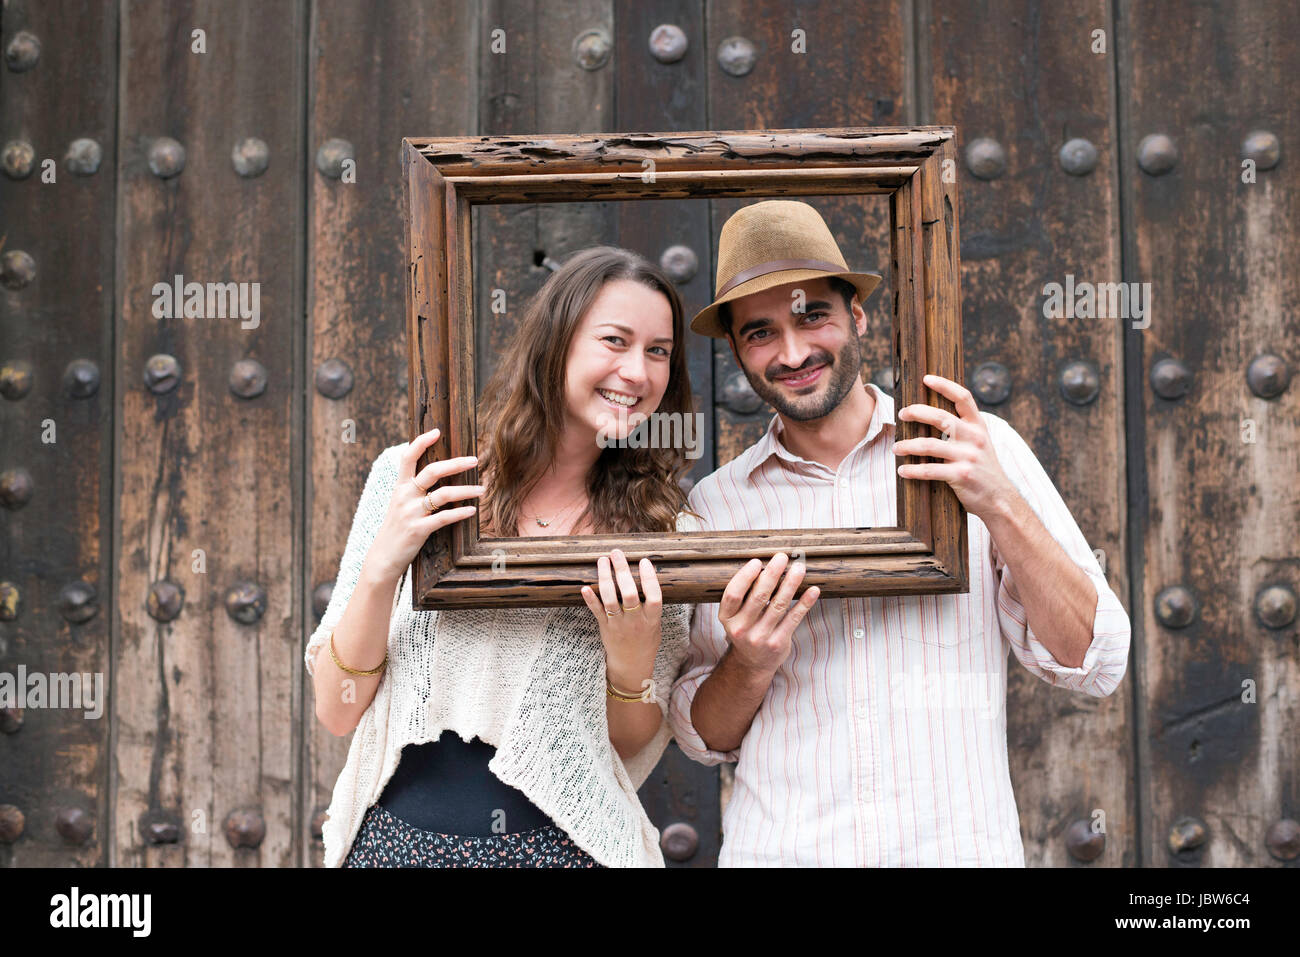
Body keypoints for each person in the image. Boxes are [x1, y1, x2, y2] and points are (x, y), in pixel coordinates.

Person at [667, 200, 1132, 866]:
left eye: (811, 315)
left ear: (856, 316)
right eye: (761, 332)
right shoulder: (718, 504)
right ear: (738, 351)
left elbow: (1095, 661)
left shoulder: (972, 451)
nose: (793, 352)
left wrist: (1000, 503)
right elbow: (700, 735)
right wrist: (750, 662)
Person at [305, 246, 703, 867]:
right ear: (555, 343)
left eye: (658, 351)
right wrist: (386, 563)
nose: (637, 372)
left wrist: (631, 662)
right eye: (615, 341)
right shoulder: (417, 481)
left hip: (566, 853)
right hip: (394, 851)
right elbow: (337, 709)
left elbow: (624, 751)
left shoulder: (664, 529)